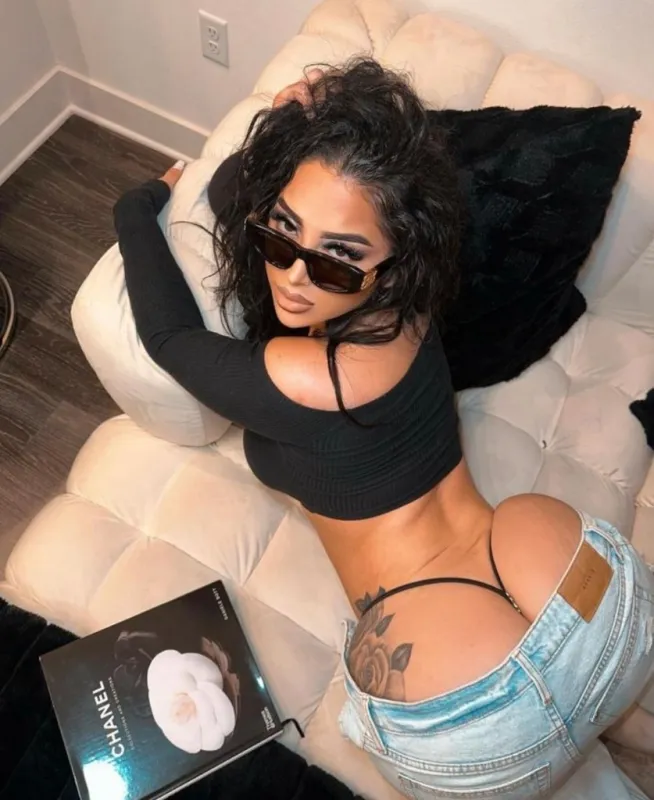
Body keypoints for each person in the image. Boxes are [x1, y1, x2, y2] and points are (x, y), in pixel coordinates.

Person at [113, 59, 654, 798]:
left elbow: (168, 337)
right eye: (283, 234)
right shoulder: (410, 303)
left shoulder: (307, 377)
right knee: (587, 710)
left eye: (338, 258)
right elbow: (242, 193)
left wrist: (135, 205)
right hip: (598, 604)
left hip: (476, 713)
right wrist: (291, 125)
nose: (294, 278)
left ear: (392, 259)